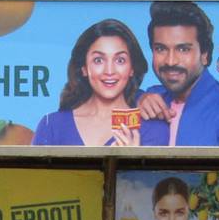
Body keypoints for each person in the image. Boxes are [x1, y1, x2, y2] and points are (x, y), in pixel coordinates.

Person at [136, 1, 219, 147]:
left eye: (183, 49)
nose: (171, 61)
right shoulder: (152, 97)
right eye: (161, 49)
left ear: (204, 54)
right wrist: (139, 100)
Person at [33, 19, 170, 146]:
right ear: (84, 68)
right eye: (98, 60)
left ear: (132, 68)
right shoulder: (51, 125)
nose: (109, 71)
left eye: (120, 60)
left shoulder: (154, 129)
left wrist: (131, 163)